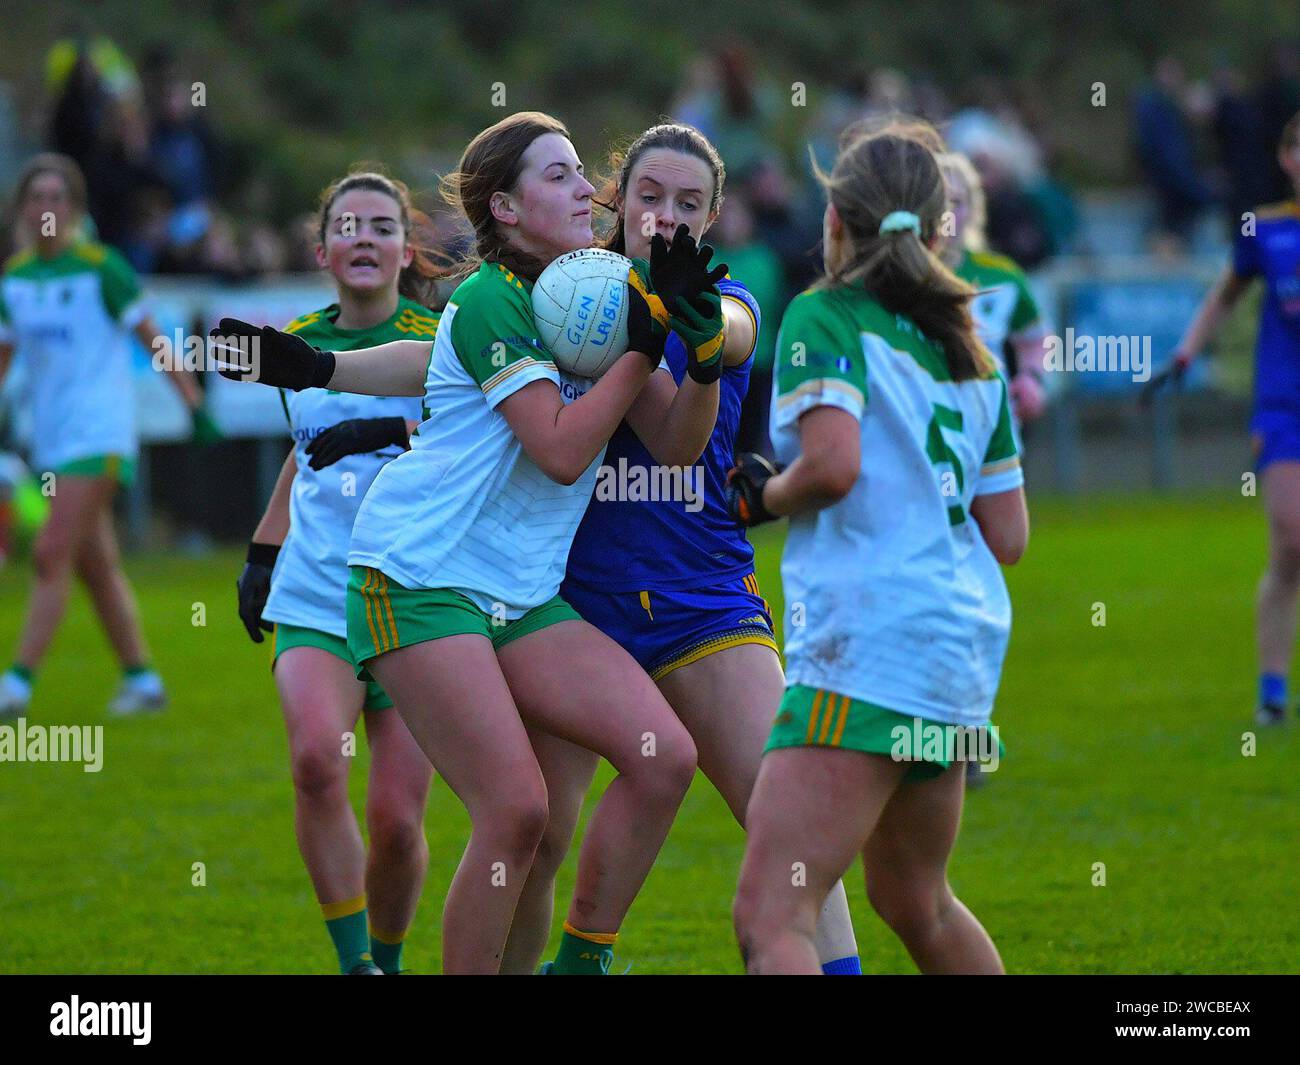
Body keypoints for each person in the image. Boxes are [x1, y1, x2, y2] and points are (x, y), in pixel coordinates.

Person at [212, 111, 724, 974]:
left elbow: (678, 446)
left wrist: (702, 354)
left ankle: (581, 961)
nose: (583, 188)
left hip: (518, 594)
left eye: (578, 171)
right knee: (517, 809)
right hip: (416, 577)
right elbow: (562, 451)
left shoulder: (599, 292)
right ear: (508, 209)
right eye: (557, 174)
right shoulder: (494, 296)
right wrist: (646, 348)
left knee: (665, 755)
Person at [499, 122, 861, 976]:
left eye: (688, 204)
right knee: (536, 833)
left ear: (715, 214)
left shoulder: (724, 299)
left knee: (787, 821)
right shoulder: (564, 294)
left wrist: (698, 329)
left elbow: (722, 354)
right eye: (650, 197)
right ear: (617, 201)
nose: (666, 217)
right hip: (575, 603)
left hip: (704, 598)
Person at [730, 119, 1028, 974]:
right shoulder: (968, 345)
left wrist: (764, 494)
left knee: (771, 914)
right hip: (955, 653)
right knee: (916, 900)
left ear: (835, 223)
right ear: (942, 228)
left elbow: (831, 465)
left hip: (868, 646)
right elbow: (1009, 535)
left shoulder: (823, 314)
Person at [234, 171, 439, 973]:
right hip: (318, 591)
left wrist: (386, 426)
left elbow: (481, 449)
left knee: (395, 820)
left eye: (382, 225)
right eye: (347, 225)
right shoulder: (297, 339)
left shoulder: (444, 333)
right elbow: (306, 454)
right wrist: (262, 548)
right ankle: (357, 964)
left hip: (418, 596)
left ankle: (386, 961)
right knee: (318, 760)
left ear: (405, 249)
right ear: (321, 250)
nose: (364, 236)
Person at [0, 153, 217, 718]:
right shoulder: (15, 281)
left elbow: (154, 341)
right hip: (51, 441)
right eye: (36, 197)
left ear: (74, 208)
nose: (46, 208)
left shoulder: (103, 269)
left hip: (101, 434)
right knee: (94, 565)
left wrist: (193, 405)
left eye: (57, 197)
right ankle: (143, 681)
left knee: (49, 553)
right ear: (22, 208)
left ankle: (17, 684)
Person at [1159, 111, 1300, 726]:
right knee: (1292, 537)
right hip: (1283, 404)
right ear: (1286, 158)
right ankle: (1272, 692)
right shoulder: (1265, 230)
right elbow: (1225, 294)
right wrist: (1187, 350)